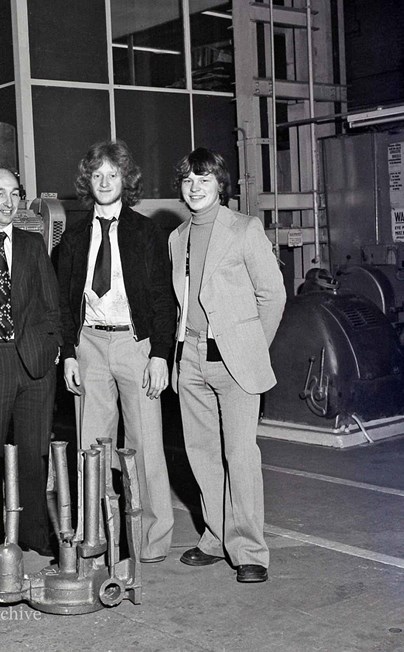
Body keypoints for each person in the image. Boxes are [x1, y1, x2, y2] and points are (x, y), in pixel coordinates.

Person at [169, 147, 286, 583]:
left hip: (235, 360)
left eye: (204, 179)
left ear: (221, 185)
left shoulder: (244, 229)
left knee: (240, 455)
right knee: (201, 455)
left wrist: (253, 347)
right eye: (188, 180)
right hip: (192, 358)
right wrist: (180, 356)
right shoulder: (176, 238)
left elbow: (272, 295)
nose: (195, 188)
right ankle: (216, 537)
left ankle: (250, 550)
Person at [58, 140, 176, 563]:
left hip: (134, 344)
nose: (105, 182)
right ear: (87, 182)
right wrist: (69, 352)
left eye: (113, 174)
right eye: (97, 175)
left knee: (145, 446)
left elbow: (164, 299)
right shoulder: (71, 238)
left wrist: (160, 354)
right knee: (91, 447)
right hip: (88, 343)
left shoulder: (147, 233)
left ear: (126, 181)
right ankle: (97, 535)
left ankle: (152, 539)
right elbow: (63, 300)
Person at [0, 165, 62, 567]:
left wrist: (52, 347)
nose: (9, 202)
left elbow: (50, 304)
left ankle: (36, 532)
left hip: (34, 365)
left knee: (34, 456)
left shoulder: (32, 244)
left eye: (15, 193)